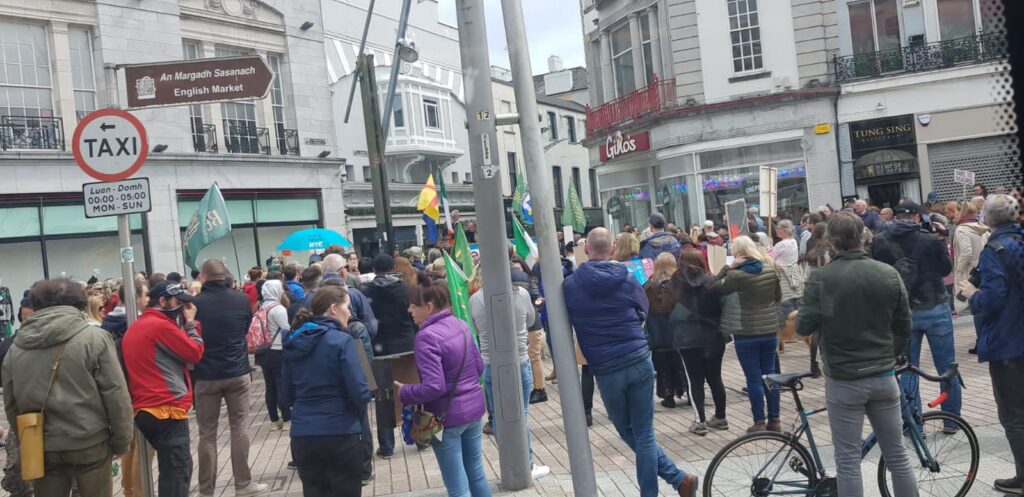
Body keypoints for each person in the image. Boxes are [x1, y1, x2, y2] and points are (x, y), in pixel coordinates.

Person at [563, 227, 700, 497]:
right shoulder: (627, 278)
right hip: (637, 358)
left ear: (586, 249)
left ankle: (677, 481)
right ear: (613, 249)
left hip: (606, 366)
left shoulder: (570, 285)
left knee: (629, 432)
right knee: (643, 434)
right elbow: (643, 310)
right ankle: (678, 481)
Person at [797, 212, 918, 497]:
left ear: (831, 242)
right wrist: (891, 354)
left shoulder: (822, 278)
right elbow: (904, 325)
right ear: (863, 237)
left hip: (844, 377)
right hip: (883, 374)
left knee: (848, 461)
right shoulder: (887, 273)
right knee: (897, 455)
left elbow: (803, 326)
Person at [2, 279, 134, 497]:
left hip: (43, 443)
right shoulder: (94, 339)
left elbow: (11, 403)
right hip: (90, 441)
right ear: (78, 303)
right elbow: (116, 395)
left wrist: (27, 438)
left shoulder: (16, 348)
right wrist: (121, 441)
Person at [397, 276, 490, 497]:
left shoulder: (426, 336)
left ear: (428, 307)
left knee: (457, 486)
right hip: (474, 410)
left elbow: (434, 387)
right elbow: (478, 367)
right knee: (476, 473)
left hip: (446, 417)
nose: (410, 310)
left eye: (413, 305)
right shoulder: (461, 324)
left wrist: (405, 391)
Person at [871, 200, 960, 421]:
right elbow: (945, 269)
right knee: (946, 367)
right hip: (934, 306)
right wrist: (941, 241)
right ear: (917, 217)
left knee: (908, 368)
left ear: (895, 216)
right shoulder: (930, 239)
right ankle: (951, 420)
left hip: (902, 311)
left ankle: (915, 424)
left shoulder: (879, 241)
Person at [283, 285, 374, 497]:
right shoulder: (342, 341)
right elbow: (360, 391)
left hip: (304, 434)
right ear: (334, 308)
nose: (349, 313)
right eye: (347, 307)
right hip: (341, 431)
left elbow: (285, 395)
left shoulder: (294, 341)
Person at [963, 194, 1024, 494]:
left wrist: (972, 295)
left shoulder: (994, 250)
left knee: (1014, 414)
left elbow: (994, 299)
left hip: (1009, 343)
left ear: (987, 218)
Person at [192, 259, 269, 496]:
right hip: (237, 371)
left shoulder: (195, 304)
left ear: (203, 277)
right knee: (239, 428)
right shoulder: (241, 299)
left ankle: (206, 490)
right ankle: (243, 484)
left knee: (207, 434)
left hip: (206, 374)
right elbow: (245, 328)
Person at [122, 281, 205, 497]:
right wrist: (191, 324)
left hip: (149, 407)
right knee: (177, 473)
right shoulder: (160, 326)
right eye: (178, 302)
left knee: (175, 469)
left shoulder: (140, 325)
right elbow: (194, 352)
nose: (182, 308)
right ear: (162, 301)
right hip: (165, 408)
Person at [468, 266, 550, 479]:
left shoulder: (475, 300)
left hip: (489, 364)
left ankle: (510, 464)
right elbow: (531, 321)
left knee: (498, 418)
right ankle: (527, 465)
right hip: (519, 360)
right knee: (521, 415)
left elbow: (477, 329)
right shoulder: (521, 294)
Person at [711, 235, 783, 433]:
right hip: (769, 330)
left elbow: (713, 288)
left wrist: (727, 267)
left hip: (746, 331)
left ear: (737, 252)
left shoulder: (736, 275)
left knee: (753, 379)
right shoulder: (770, 269)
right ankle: (775, 420)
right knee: (770, 375)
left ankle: (759, 422)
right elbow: (777, 297)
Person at [362, 254, 418, 458]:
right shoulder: (406, 289)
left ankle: (386, 446)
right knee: (414, 392)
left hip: (380, 350)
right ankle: (421, 438)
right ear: (394, 267)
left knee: (383, 397)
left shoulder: (366, 292)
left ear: (374, 270)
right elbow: (413, 318)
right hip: (407, 346)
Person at [100, 282, 152, 497]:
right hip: (137, 388)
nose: (148, 299)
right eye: (146, 295)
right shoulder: (135, 323)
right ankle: (139, 492)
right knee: (143, 447)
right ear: (135, 297)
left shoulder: (106, 323)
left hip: (120, 389)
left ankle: (129, 490)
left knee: (129, 446)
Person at [672, 250, 729, 435]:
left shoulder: (675, 282)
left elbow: (668, 307)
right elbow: (722, 307)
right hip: (713, 336)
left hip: (687, 337)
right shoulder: (711, 281)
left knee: (694, 380)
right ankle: (720, 417)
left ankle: (700, 421)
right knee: (715, 378)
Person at [644, 253, 688, 409]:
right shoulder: (680, 283)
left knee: (662, 366)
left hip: (658, 331)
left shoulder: (649, 286)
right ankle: (690, 393)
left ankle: (668, 396)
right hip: (679, 331)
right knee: (683, 364)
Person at [258, 280, 292, 430]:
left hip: (263, 351)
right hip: (277, 349)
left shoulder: (261, 307)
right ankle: (287, 419)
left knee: (270, 386)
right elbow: (286, 328)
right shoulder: (278, 309)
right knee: (281, 384)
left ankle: (274, 420)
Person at [952, 201, 988, 313]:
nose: (954, 215)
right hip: (982, 268)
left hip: (969, 271)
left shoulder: (961, 229)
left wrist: (959, 269)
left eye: (955, 212)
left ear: (961, 213)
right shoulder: (982, 228)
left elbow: (966, 252)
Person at [774, 220, 805, 330]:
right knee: (797, 304)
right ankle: (800, 329)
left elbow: (771, 259)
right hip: (795, 275)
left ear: (785, 230)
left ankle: (790, 331)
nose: (776, 230)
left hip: (784, 277)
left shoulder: (781, 244)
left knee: (786, 305)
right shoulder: (794, 241)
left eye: (778, 228)